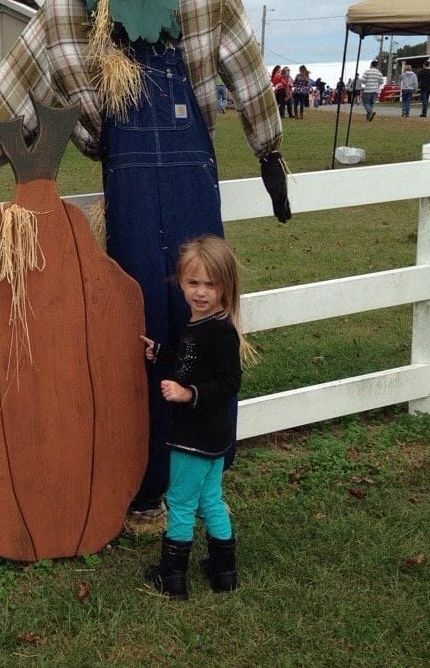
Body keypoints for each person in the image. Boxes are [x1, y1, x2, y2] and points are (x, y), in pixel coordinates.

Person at [0, 0, 291, 519]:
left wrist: (270, 152)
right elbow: (6, 98)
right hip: (129, 198)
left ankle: (205, 467)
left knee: (205, 326)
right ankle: (140, 476)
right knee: (135, 331)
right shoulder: (65, 14)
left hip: (193, 186)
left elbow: (247, 70)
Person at [141, 235, 252, 598]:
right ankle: (224, 573)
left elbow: (229, 381)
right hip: (213, 438)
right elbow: (191, 363)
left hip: (194, 437)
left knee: (181, 503)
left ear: (226, 287)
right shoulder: (200, 323)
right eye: (193, 283)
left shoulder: (220, 331)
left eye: (210, 284)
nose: (201, 292)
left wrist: (188, 394)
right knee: (210, 500)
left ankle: (172, 579)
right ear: (181, 282)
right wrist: (162, 353)